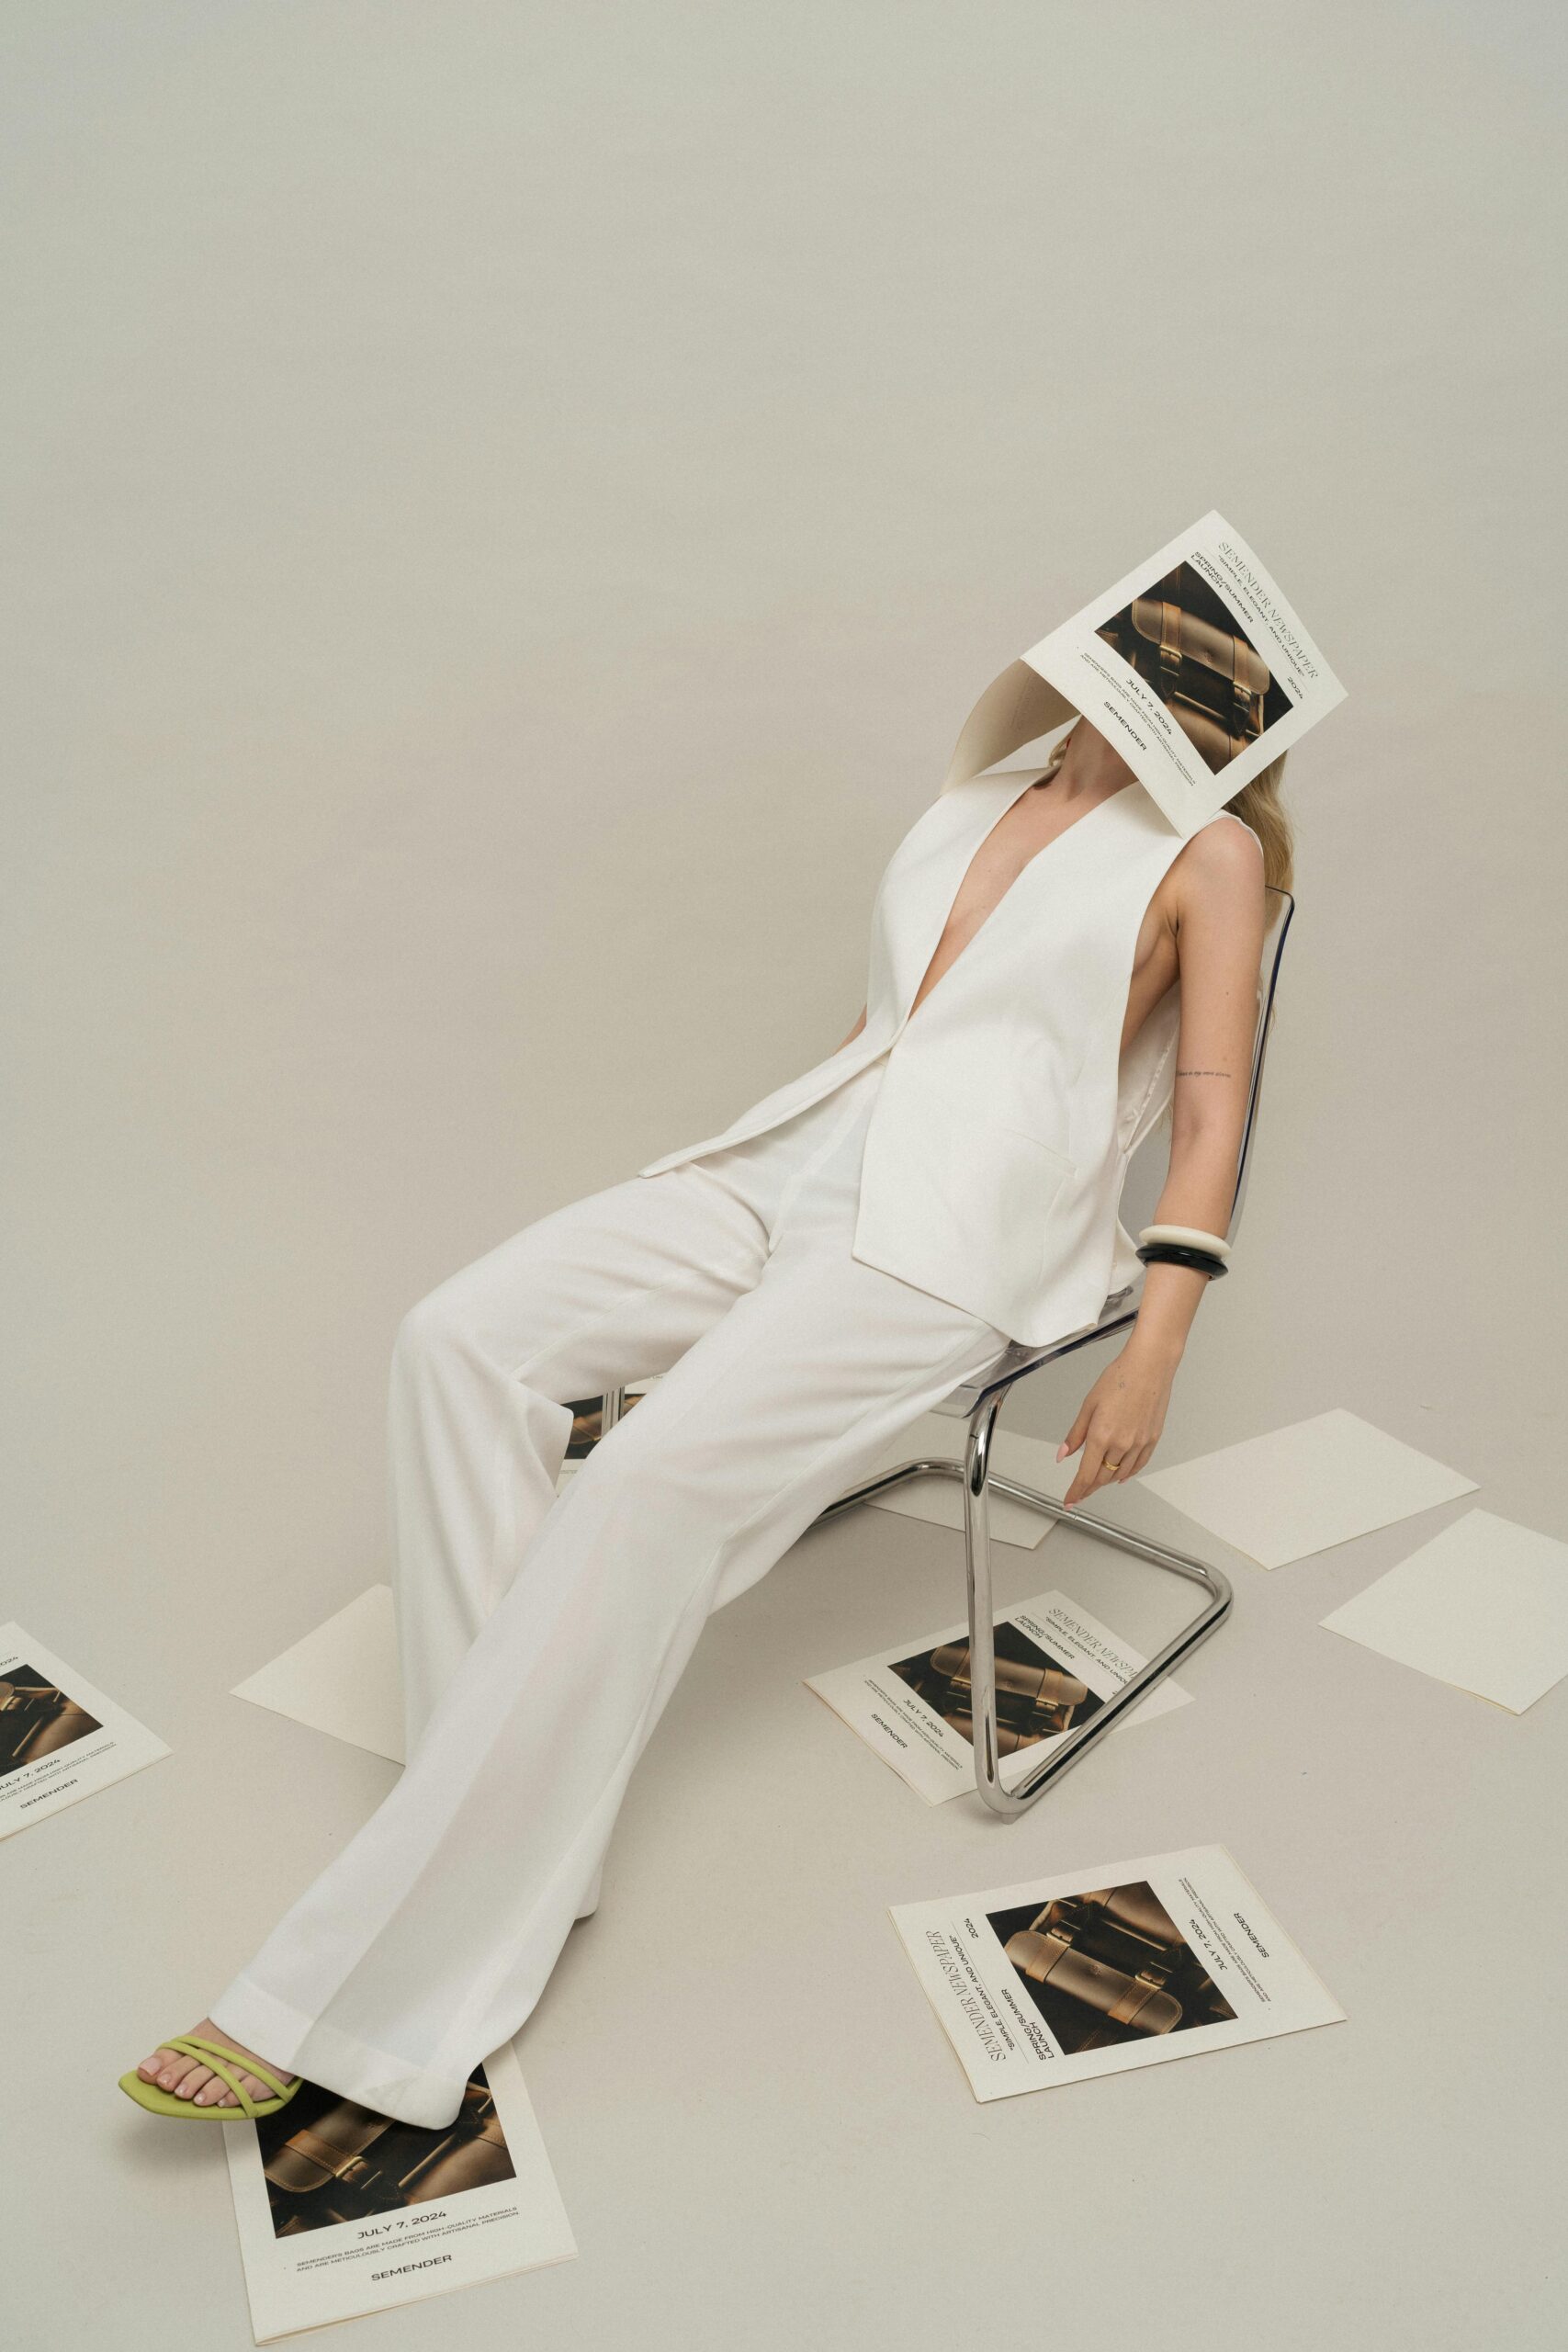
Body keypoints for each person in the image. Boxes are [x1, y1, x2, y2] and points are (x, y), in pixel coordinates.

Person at [121, 712, 1284, 2130]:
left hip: (960, 1234)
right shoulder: (987, 786)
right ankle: (509, 1832)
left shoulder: (1209, 850)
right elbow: (892, 1022)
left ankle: (358, 1998)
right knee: (457, 1343)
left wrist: (1157, 1345)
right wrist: (781, 1166)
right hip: (790, 1160)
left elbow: (1214, 1112)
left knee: (641, 1489)